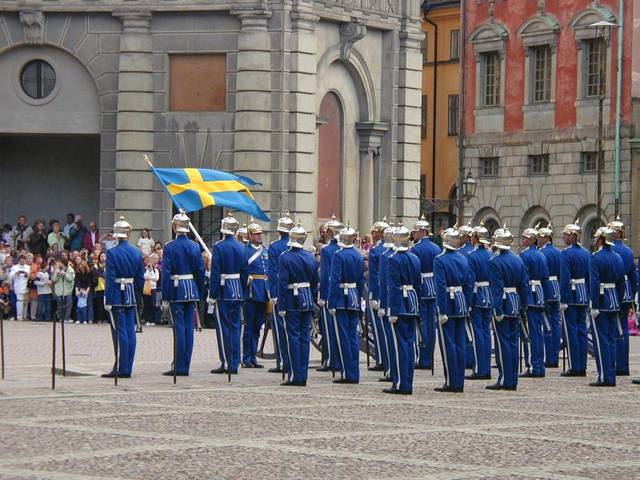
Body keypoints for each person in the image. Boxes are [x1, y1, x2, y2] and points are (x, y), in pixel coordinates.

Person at [161, 211, 205, 377]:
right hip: (191, 288)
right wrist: (198, 291)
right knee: (189, 328)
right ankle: (186, 364)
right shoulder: (195, 246)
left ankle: (179, 366)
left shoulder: (170, 247)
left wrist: (165, 295)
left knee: (179, 328)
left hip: (176, 288)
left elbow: (166, 273)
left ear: (174, 227)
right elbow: (200, 271)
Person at [487, 226, 530, 391]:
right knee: (513, 343)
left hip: (503, 305)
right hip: (515, 303)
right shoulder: (518, 259)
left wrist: (496, 310)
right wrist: (523, 305)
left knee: (503, 343)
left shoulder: (495, 262)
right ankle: (512, 379)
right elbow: (524, 285)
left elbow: (496, 289)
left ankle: (505, 378)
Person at [102, 217, 145, 379]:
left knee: (119, 332)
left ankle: (120, 367)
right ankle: (127, 367)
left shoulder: (112, 252)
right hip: (131, 293)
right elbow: (140, 277)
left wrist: (108, 298)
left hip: (117, 294)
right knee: (130, 332)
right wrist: (137, 294)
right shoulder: (136, 251)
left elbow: (110, 277)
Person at [277, 221, 319, 386]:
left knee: (293, 337)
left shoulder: (285, 257)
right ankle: (303, 374)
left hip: (292, 300)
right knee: (304, 338)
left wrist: (281, 305)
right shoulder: (310, 256)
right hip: (307, 298)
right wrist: (313, 298)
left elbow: (282, 283)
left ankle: (295, 375)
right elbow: (315, 282)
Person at [433, 226, 474, 393]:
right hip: (461, 302)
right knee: (460, 343)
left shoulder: (440, 260)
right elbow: (469, 283)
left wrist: (441, 310)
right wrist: (467, 302)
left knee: (449, 344)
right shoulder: (463, 258)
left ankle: (451, 381)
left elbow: (440, 286)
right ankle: (460, 380)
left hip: (448, 304)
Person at [328, 224, 365, 384]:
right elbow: (361, 280)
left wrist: (331, 301)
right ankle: (354, 372)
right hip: (354, 297)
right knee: (353, 337)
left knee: (343, 336)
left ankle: (347, 373)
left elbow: (334, 280)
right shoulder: (358, 255)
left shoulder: (338, 255)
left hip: (341, 299)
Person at [209, 212, 245, 376]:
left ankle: (227, 362)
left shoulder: (219, 247)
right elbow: (244, 271)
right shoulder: (241, 246)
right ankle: (235, 361)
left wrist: (212, 293)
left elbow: (215, 273)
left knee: (224, 327)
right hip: (237, 288)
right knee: (236, 326)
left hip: (224, 289)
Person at [589, 227, 625, 387]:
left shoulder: (596, 258)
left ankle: (605, 376)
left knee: (601, 341)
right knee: (611, 340)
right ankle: (611, 373)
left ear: (601, 239)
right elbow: (621, 283)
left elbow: (594, 282)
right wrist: (618, 299)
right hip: (614, 301)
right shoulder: (617, 257)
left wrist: (594, 304)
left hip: (602, 302)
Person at [559, 220, 590, 377]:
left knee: (571, 331)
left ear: (572, 236)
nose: (563, 237)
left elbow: (565, 278)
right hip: (583, 293)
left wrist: (563, 299)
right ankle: (582, 365)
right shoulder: (585, 252)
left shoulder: (566, 254)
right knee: (582, 331)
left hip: (571, 295)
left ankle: (575, 366)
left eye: (565, 234)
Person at [519, 227, 551, 378]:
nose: (523, 240)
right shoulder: (541, 255)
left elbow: (523, 280)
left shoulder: (524, 256)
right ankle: (540, 364)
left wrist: (522, 300)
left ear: (532, 240)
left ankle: (533, 366)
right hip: (539, 295)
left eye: (525, 238)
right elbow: (545, 278)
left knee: (530, 334)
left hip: (530, 295)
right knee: (538, 332)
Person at [410, 215, 441, 371]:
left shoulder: (416, 249)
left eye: (415, 232)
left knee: (423, 323)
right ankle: (429, 356)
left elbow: (415, 271)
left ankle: (423, 357)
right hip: (434, 287)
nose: (413, 235)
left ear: (422, 231)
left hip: (421, 287)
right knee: (431, 324)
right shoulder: (436, 248)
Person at [607, 217, 636, 376]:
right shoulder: (629, 251)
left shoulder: (613, 250)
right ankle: (623, 365)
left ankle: (617, 365)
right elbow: (633, 276)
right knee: (623, 329)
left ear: (617, 233)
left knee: (614, 329)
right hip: (627, 292)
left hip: (614, 291)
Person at [267, 212, 295, 374]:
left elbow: (272, 272)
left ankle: (282, 361)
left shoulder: (274, 247)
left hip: (279, 290)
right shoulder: (296, 248)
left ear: (279, 231)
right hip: (296, 293)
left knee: (279, 329)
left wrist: (273, 294)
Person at [465, 222, 493, 380]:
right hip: (488, 294)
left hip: (477, 295)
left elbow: (470, 281)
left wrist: (468, 301)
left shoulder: (471, 256)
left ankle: (479, 368)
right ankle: (486, 366)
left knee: (477, 333)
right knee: (486, 333)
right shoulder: (490, 255)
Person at [241, 218, 269, 369]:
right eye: (256, 234)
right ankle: (246, 357)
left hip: (263, 292)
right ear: (250, 235)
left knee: (258, 326)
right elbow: (242, 272)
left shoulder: (265, 251)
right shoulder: (245, 251)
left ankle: (253, 356)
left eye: (260, 234)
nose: (259, 237)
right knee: (249, 326)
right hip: (251, 291)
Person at [318, 215, 344, 375]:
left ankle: (330, 360)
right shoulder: (346, 250)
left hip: (330, 294)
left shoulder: (327, 250)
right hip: (346, 295)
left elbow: (326, 275)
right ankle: (339, 359)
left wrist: (323, 296)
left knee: (328, 330)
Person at [537, 224, 563, 368]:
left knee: (546, 324)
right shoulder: (559, 252)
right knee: (555, 323)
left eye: (541, 236)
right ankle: (555, 356)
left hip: (546, 288)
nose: (539, 239)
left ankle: (550, 357)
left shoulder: (542, 253)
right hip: (556, 287)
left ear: (547, 237)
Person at [366, 217, 390, 372]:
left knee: (378, 328)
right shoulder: (390, 249)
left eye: (375, 231)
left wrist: (374, 295)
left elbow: (374, 276)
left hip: (378, 292)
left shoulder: (376, 251)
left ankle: (381, 358)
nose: (372, 234)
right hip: (391, 293)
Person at [377, 223, 396, 383]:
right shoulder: (410, 255)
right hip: (408, 302)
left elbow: (383, 283)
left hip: (391, 302)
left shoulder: (386, 256)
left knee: (390, 339)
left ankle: (391, 370)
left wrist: (382, 304)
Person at [51, 258, 75, 323]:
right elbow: (54, 279)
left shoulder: (70, 269)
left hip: (67, 290)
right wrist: (58, 275)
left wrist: (65, 274)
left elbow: (71, 279)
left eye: (59, 262)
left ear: (63, 263)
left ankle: (67, 318)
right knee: (60, 306)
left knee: (68, 305)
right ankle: (60, 318)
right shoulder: (57, 269)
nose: (58, 264)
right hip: (59, 291)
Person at [9, 254, 30, 321]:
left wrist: (27, 275)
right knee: (20, 302)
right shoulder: (14, 267)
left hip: (26, 286)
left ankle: (24, 316)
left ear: (25, 260)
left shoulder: (28, 267)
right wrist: (16, 273)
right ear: (18, 261)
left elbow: (30, 277)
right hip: (18, 286)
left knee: (26, 302)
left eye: (23, 261)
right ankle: (19, 317)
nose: (22, 262)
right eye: (21, 261)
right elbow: (10, 277)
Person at [143, 254, 160, 325]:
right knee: (146, 304)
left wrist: (151, 272)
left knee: (152, 304)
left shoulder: (156, 270)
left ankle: (152, 319)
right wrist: (149, 272)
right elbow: (144, 277)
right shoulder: (145, 269)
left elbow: (156, 278)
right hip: (146, 288)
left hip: (153, 288)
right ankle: (147, 320)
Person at [92, 252, 107, 324]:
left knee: (106, 304)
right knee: (99, 304)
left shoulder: (109, 265)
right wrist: (102, 270)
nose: (103, 258)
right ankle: (99, 318)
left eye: (104, 256)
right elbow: (96, 274)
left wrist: (103, 270)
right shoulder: (96, 266)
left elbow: (106, 275)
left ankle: (106, 318)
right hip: (98, 287)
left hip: (106, 287)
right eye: (101, 256)